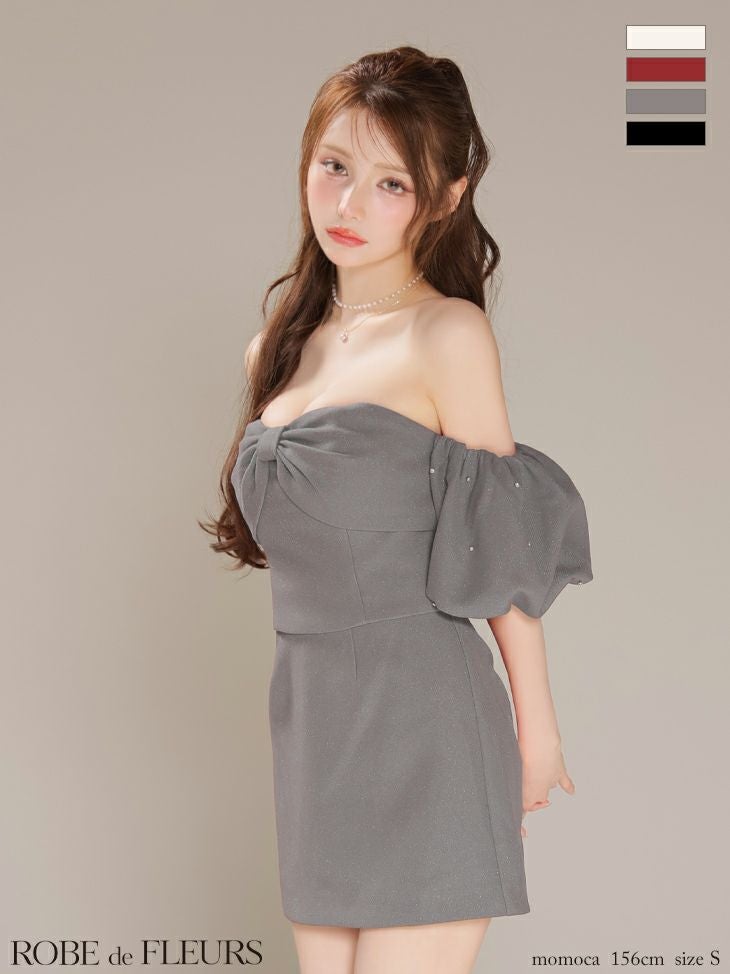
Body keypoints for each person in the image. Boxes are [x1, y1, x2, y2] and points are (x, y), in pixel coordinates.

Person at [201, 45, 593, 974]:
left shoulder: (448, 333)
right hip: (314, 734)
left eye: (391, 184)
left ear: (447, 197)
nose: (347, 204)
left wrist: (537, 732)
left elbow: (498, 540)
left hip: (426, 725)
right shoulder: (274, 349)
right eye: (334, 166)